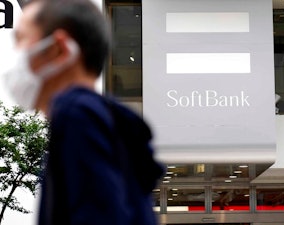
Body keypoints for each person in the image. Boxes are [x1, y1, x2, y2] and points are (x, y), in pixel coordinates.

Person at [1, 0, 164, 224]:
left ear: (58, 49)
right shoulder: (109, 122)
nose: (16, 53)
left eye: (20, 38)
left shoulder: (77, 116)